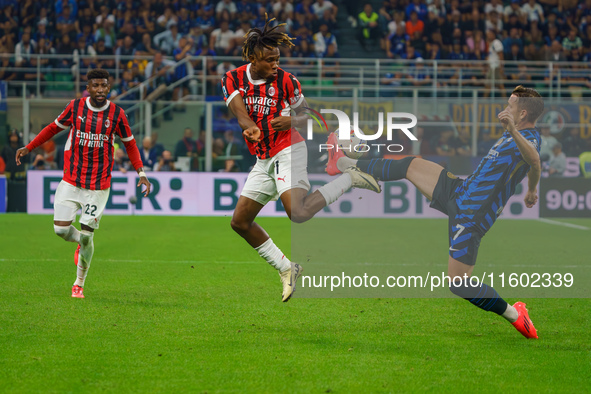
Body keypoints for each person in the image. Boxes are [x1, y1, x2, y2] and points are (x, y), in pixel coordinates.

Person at [325, 85, 543, 339]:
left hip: (472, 214)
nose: (505, 109)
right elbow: (533, 169)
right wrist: (532, 189)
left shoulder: (529, 137)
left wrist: (514, 132)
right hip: (461, 191)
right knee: (410, 164)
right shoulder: (514, 134)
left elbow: (534, 160)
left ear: (523, 113)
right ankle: (345, 163)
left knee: (458, 283)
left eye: (511, 106)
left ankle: (516, 315)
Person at [222, 18, 380, 303]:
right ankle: (286, 268)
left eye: (278, 59)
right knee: (240, 222)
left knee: (298, 213)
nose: (275, 64)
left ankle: (348, 178)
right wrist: (250, 126)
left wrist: (291, 119)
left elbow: (308, 117)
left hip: (289, 148)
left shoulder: (287, 80)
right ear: (252, 59)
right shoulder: (232, 78)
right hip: (263, 158)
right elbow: (239, 111)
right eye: (269, 60)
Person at [15, 69, 151, 299]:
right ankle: (81, 240)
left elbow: (130, 144)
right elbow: (53, 128)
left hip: (98, 185)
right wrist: (29, 147)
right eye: (95, 85)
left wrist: (141, 172)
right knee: (60, 229)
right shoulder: (75, 107)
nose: (100, 90)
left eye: (104, 86)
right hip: (72, 179)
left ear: (109, 88)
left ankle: (78, 283)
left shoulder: (118, 114)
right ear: (87, 88)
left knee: (88, 235)